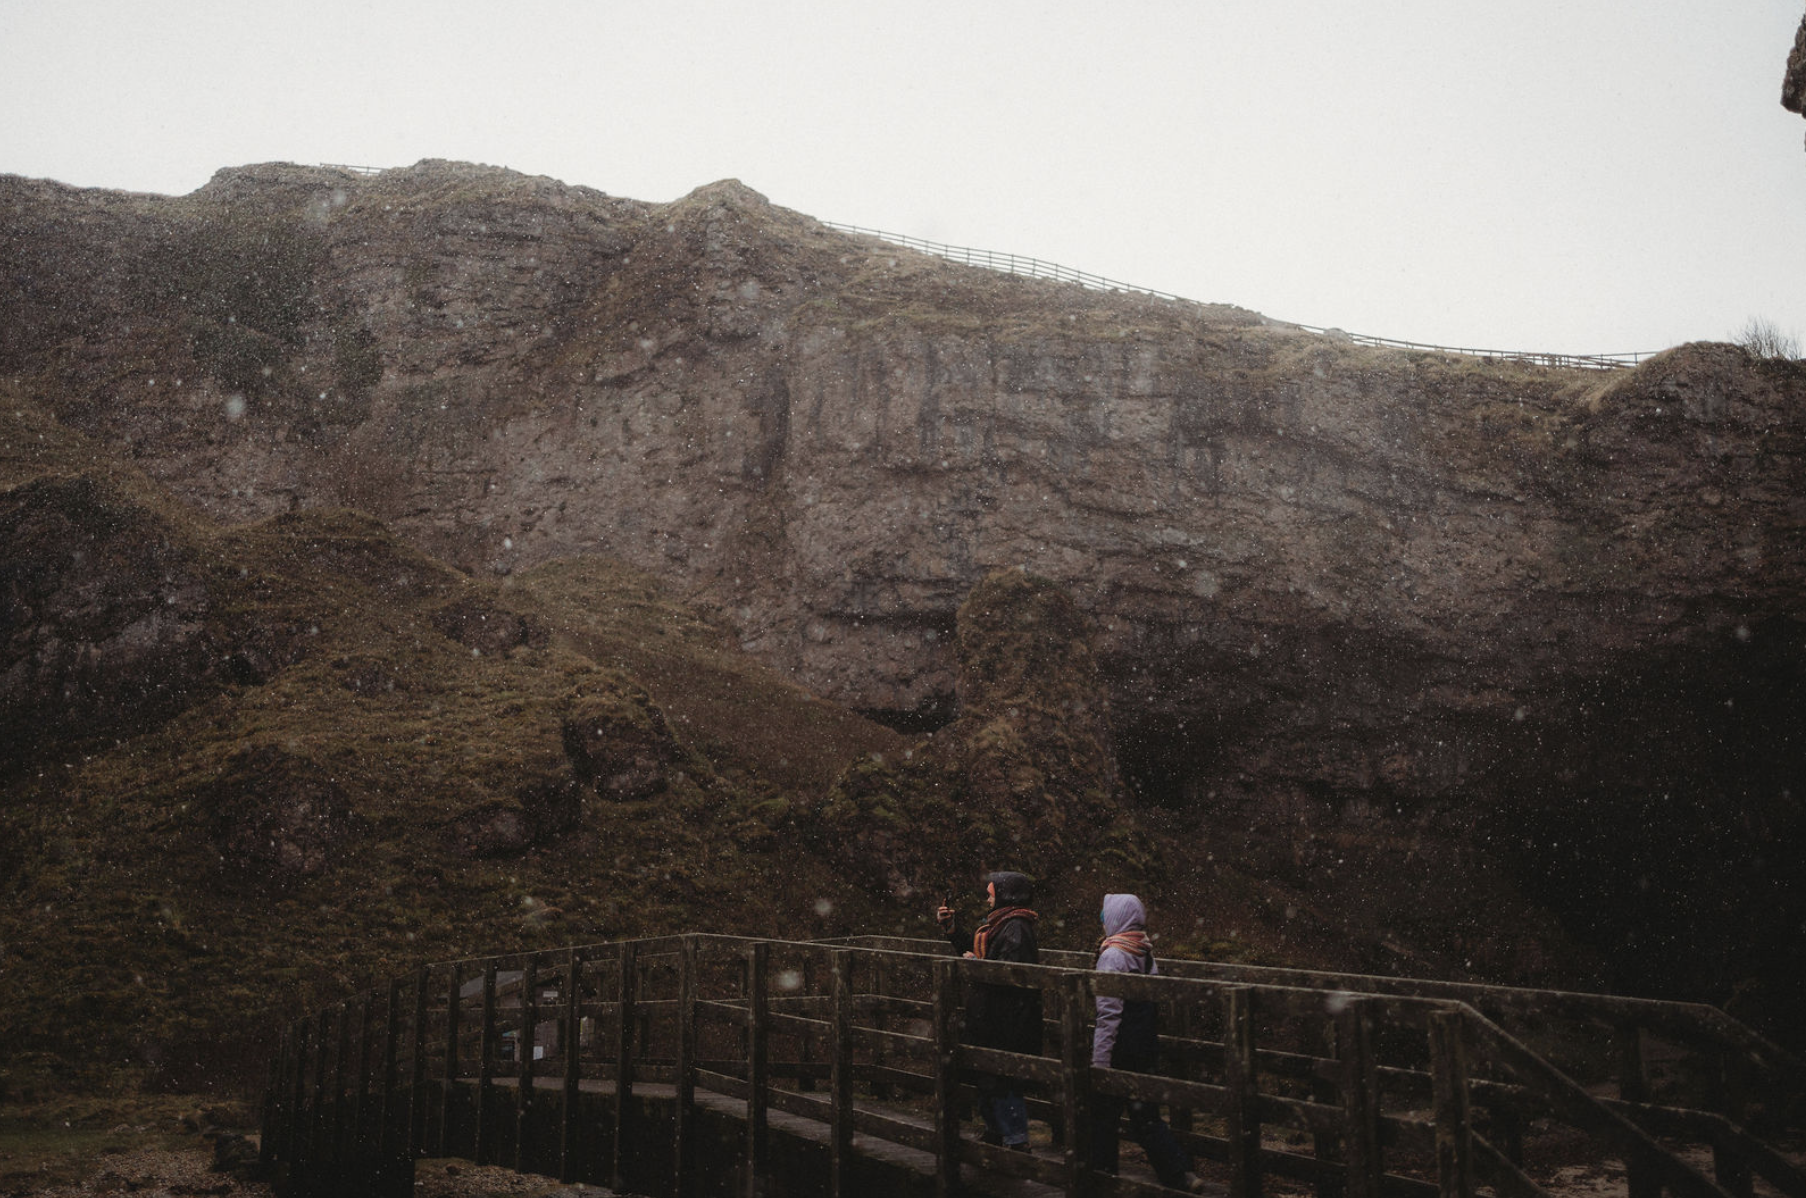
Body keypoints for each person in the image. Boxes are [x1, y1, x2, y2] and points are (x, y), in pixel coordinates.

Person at [1092, 893, 1205, 1193]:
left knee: (1104, 1115)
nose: (1102, 920)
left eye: (1105, 915)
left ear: (1116, 918)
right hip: (1144, 1046)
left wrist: (1100, 1062)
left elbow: (1108, 1014)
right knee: (1147, 1118)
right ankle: (1179, 1173)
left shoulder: (1113, 955)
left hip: (1119, 1049)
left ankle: (1103, 1177)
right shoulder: (1144, 950)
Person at [936, 871, 1042, 1150]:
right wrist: (952, 930)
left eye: (991, 893)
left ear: (1005, 895)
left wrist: (977, 967)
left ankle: (1016, 1142)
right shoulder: (1001, 925)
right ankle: (997, 1132)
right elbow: (982, 952)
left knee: (1003, 1078)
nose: (988, 898)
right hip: (994, 1016)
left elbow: (1009, 974)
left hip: (1006, 1019)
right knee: (989, 1076)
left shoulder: (1015, 927)